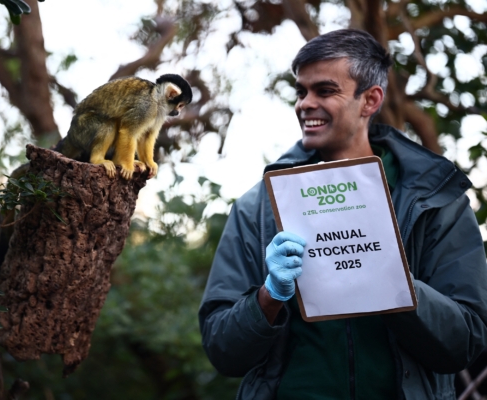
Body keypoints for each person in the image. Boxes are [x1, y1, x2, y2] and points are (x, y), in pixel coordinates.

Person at [198, 29, 487, 400]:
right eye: (301, 91)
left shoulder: (437, 201)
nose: (305, 103)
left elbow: (465, 343)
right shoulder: (258, 208)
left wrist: (396, 283)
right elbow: (223, 351)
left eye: (324, 91)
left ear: (370, 100)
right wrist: (269, 297)